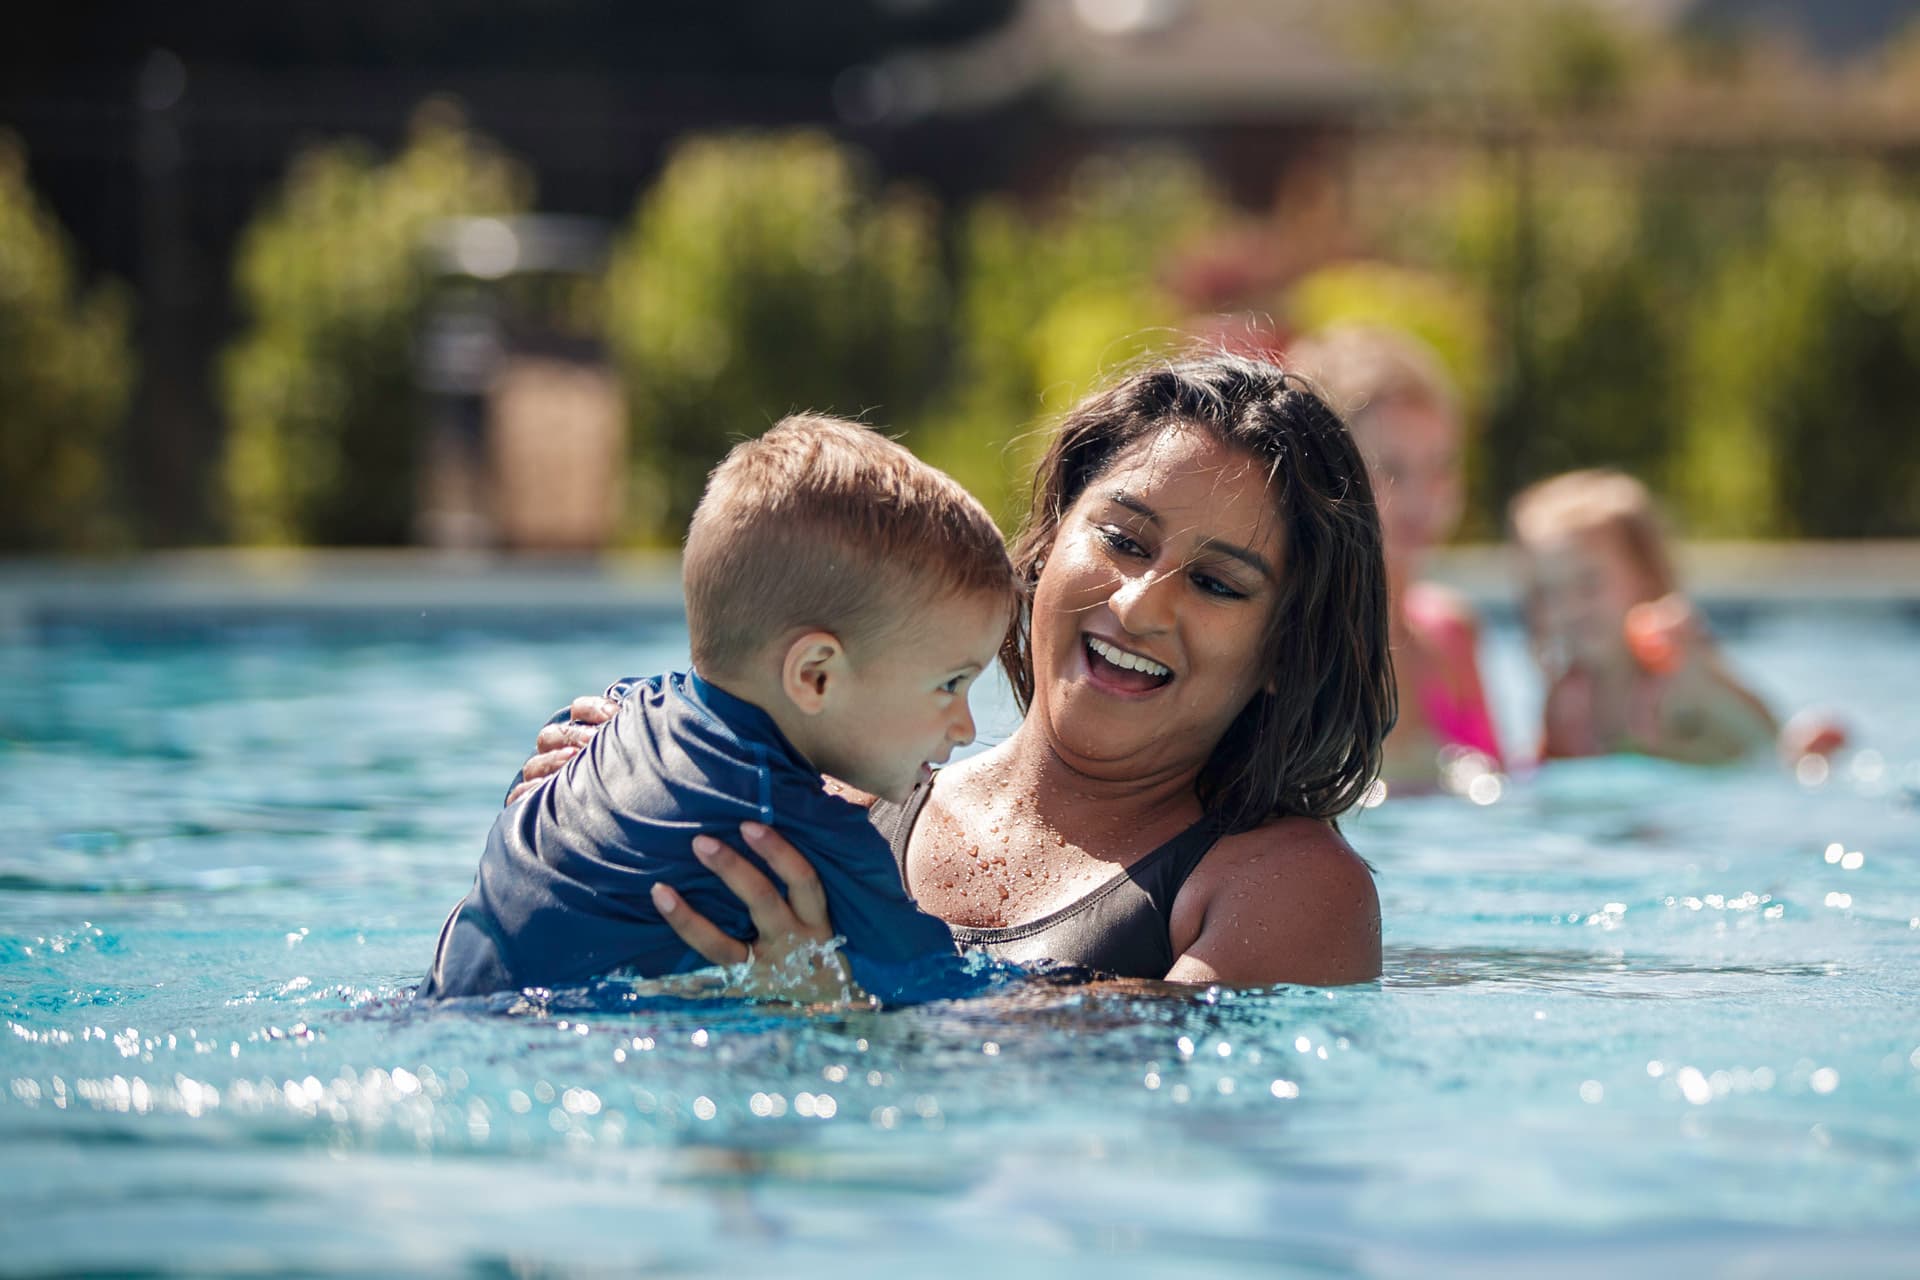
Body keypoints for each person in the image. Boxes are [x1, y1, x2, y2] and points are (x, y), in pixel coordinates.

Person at [513, 354, 1396, 989]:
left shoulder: (1283, 889)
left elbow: (1118, 1109)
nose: (1137, 607)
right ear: (1048, 547)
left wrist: (844, 1015)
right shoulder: (840, 797)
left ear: (1287, 649)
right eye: (1122, 540)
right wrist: (603, 798)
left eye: (1215, 584)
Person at [419, 414, 1015, 1000]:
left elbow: (560, 737)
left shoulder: (622, 712)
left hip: (436, 1005)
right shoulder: (796, 832)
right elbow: (941, 992)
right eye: (950, 685)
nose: (965, 727)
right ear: (815, 675)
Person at [1287, 325, 1501, 790]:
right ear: (1325, 473)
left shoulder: (1453, 635)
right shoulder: (1298, 647)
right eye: (1392, 469)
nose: (1424, 498)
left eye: (1441, 466)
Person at [1509, 468, 1782, 764]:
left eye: (1589, 584)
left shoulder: (1674, 671)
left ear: (1646, 577)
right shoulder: (1568, 700)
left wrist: (1696, 667)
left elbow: (1768, 745)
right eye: (1550, 593)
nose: (1570, 608)